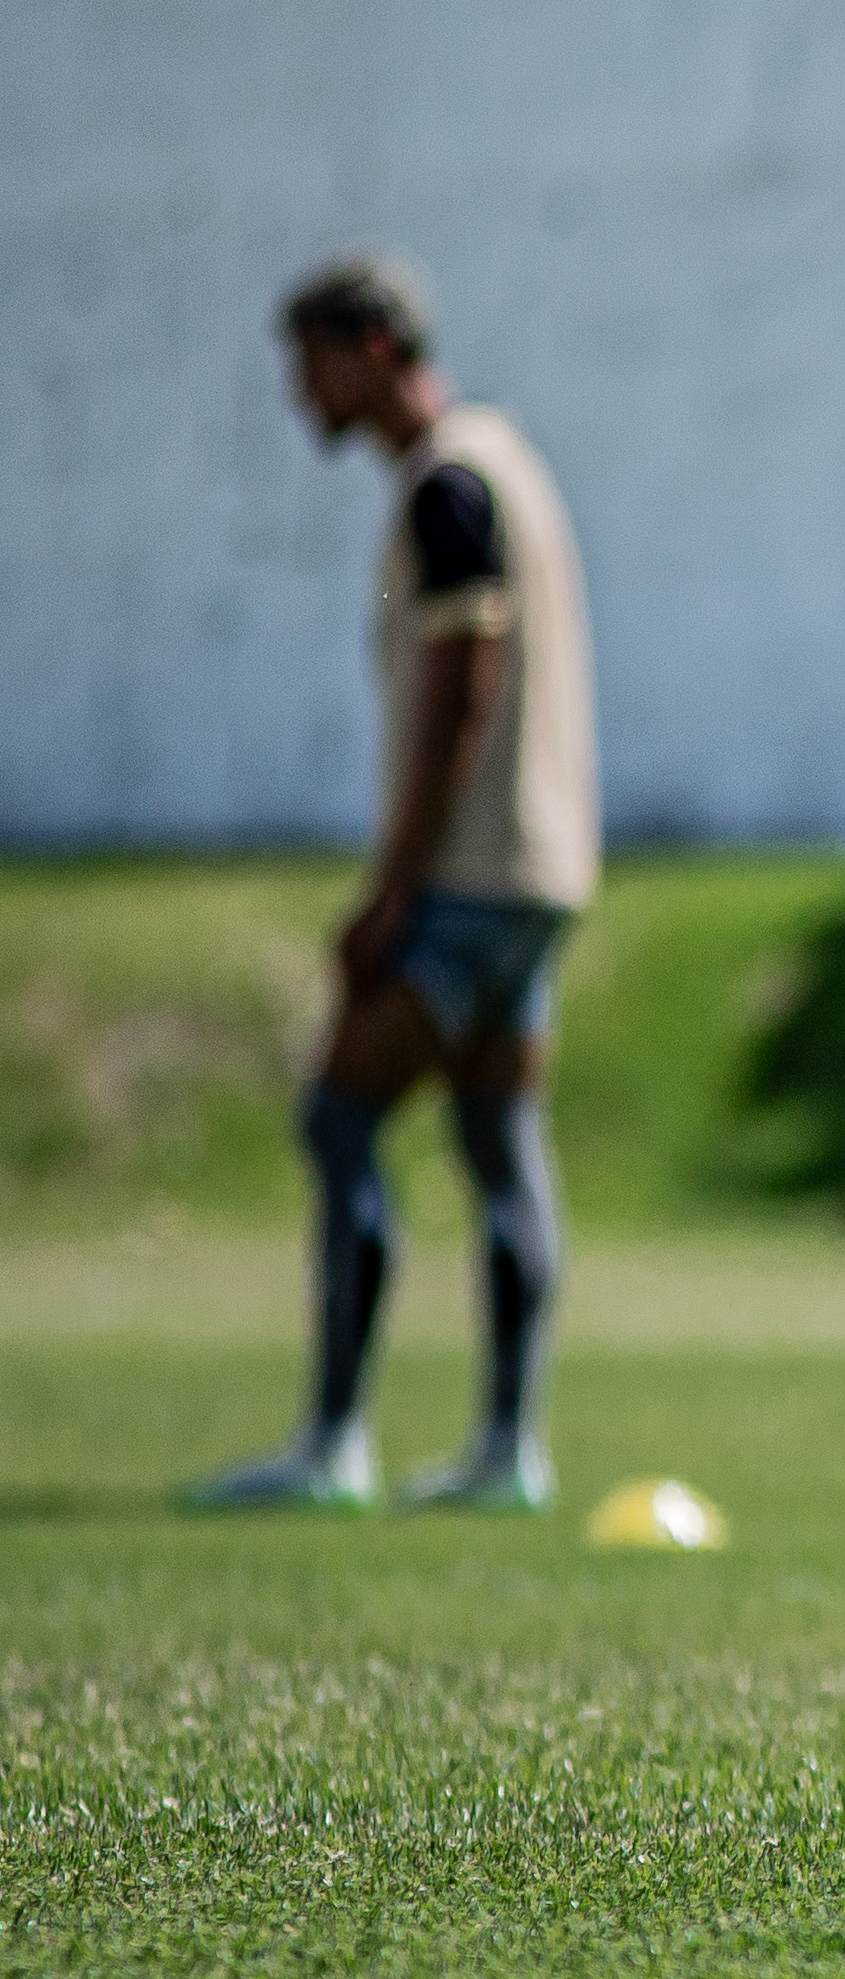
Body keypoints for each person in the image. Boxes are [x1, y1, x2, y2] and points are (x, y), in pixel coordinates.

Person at [191, 256, 597, 1515]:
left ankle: (334, 1443)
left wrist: (392, 887)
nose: (297, 391)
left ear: (372, 347)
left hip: (470, 877)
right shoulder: (506, 458)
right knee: (494, 1141)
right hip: (544, 871)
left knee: (338, 1115)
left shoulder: (448, 483)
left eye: (309, 359)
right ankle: (505, 1451)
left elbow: (462, 691)